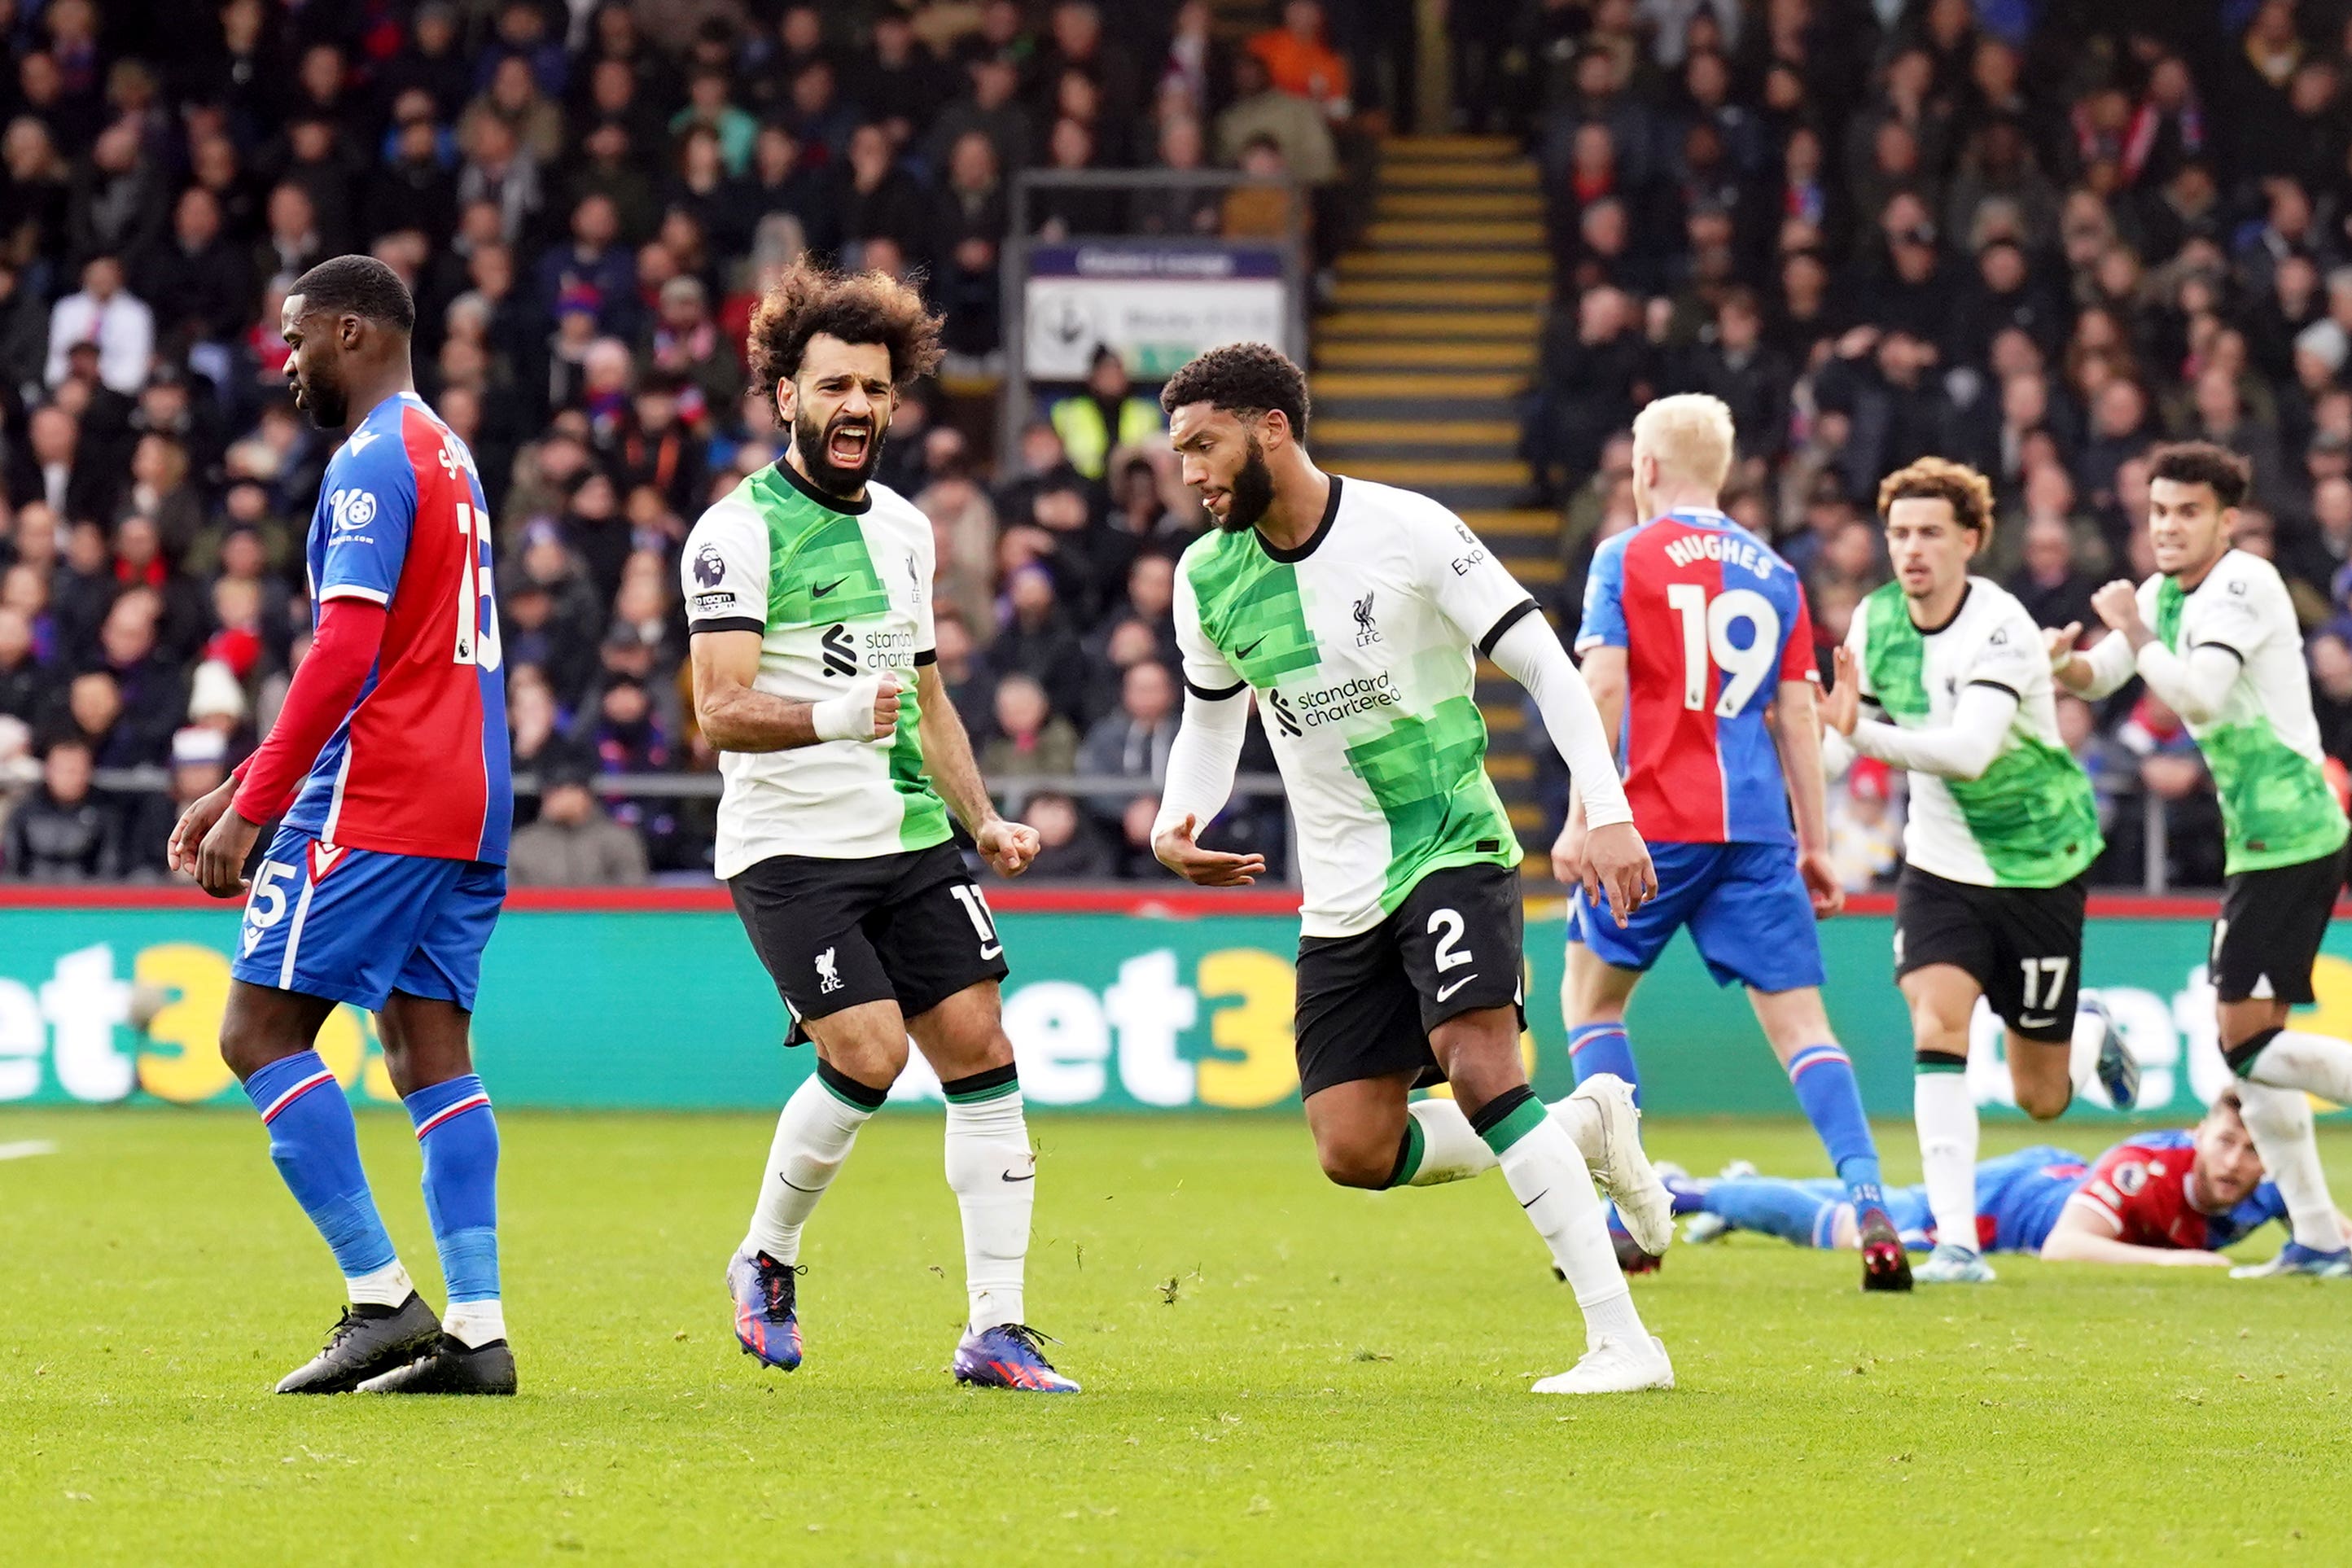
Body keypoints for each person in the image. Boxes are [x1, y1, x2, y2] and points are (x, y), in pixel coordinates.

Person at [1149, 341, 1676, 1396]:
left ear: (1272, 429)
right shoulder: (1207, 579)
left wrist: (1606, 808)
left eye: (1205, 445)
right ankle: (1582, 1123)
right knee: (1353, 1144)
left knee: (1482, 1067)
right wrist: (1176, 818)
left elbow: (1540, 662)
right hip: (1340, 891)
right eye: (1179, 454)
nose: (1190, 472)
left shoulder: (1409, 530)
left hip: (1448, 841)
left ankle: (1624, 1342)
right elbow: (1212, 721)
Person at [681, 262, 1072, 1393]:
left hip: (907, 833)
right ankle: (765, 1254)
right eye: (834, 384)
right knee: (868, 1050)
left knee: (983, 1051)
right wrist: (836, 714)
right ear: (785, 396)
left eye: (876, 388)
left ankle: (996, 1328)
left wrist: (984, 815)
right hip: (790, 846)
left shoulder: (906, 529)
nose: (856, 405)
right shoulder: (735, 534)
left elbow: (931, 696)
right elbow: (718, 706)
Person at [167, 256, 515, 1396]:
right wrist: (238, 787)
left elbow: (349, 652)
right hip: (470, 790)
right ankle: (476, 1332)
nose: (287, 359)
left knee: (258, 1032)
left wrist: (255, 804)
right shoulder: (447, 451)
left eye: (297, 337)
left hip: (384, 790)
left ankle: (380, 1295)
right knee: (428, 1052)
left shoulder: (369, 460)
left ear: (353, 331)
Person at [1552, 393, 1910, 1292]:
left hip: (1651, 825)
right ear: (1725, 471)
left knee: (1592, 1004)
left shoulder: (1624, 557)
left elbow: (1600, 691)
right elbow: (1798, 714)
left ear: (1644, 470)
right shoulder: (1776, 573)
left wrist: (1581, 818)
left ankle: (1630, 1218)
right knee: (1802, 1029)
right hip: (1755, 831)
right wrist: (1813, 842)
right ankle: (1869, 1196)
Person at [1820, 457, 2137, 1286]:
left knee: (2042, 1097)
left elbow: (1968, 751)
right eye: (1899, 534)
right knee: (1937, 1024)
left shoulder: (1999, 622)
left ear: (1970, 540)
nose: (1911, 549)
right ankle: (1957, 1242)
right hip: (1940, 863)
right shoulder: (1875, 623)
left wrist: (1858, 738)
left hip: (2040, 863)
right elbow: (1833, 736)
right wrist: (1798, 801)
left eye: (1930, 533)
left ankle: (2089, 1027)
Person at [2056, 440, 2352, 1278]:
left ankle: (2324, 1234)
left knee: (2245, 1046)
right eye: (2158, 512)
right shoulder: (2158, 596)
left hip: (2295, 829)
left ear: (2226, 521)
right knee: (2253, 1054)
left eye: (2187, 512)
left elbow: (2199, 695)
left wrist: (2135, 628)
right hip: (2258, 841)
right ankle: (2322, 1238)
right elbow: (2101, 674)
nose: (2168, 527)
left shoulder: (2245, 585)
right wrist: (2062, 662)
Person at [1669, 1090, 2316, 1271]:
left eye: (2252, 1150)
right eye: (2225, 1141)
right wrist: (2185, 1266)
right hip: (2006, 1206)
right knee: (1863, 1231)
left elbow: (2329, 1238)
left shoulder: (2269, 1186)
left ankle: (1742, 1193)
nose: (2234, 1162)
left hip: (2047, 1175)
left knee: (1888, 1204)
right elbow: (2064, 1248)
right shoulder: (2141, 1168)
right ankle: (1680, 1191)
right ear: (2200, 1133)